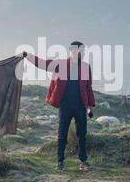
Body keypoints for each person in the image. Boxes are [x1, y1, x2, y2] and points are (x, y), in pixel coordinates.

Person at [24, 41, 95, 172]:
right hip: (65, 105)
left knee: (82, 134)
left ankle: (83, 161)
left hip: (80, 106)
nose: (84, 53)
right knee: (62, 134)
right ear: (74, 51)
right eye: (82, 51)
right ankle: (60, 162)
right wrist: (28, 56)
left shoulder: (85, 67)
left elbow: (88, 87)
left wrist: (91, 106)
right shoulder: (61, 64)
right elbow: (43, 64)